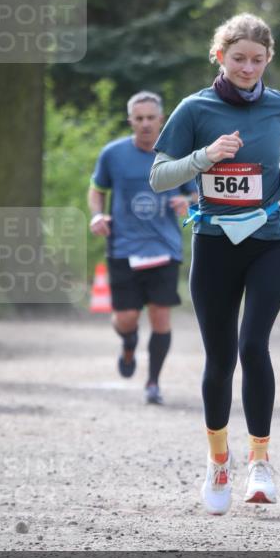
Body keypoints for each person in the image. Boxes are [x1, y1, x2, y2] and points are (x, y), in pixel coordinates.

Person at [149, 13, 280, 515]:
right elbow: (158, 177)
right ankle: (219, 462)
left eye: (257, 60)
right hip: (216, 243)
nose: (248, 67)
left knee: (254, 345)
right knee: (220, 361)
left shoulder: (279, 104)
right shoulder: (195, 108)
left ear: (268, 60)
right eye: (238, 58)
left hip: (270, 240)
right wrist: (203, 157)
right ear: (220, 56)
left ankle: (260, 462)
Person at [88, 91, 196, 406]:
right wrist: (97, 214)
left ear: (161, 120)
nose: (146, 124)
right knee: (126, 319)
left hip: (164, 248)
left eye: (151, 118)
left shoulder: (177, 155)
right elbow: (97, 190)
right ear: (131, 121)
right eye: (139, 119)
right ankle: (128, 342)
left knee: (161, 317)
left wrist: (186, 201)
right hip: (123, 247)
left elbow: (197, 195)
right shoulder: (113, 154)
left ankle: (153, 382)